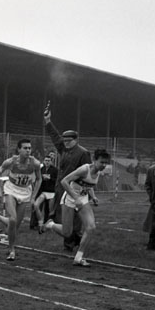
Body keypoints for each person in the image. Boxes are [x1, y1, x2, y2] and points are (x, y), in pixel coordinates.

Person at [43, 148, 111, 266]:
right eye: (102, 162)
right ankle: (51, 224)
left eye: (106, 163)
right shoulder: (84, 169)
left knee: (91, 227)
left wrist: (93, 197)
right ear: (94, 160)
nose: (104, 165)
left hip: (82, 199)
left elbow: (88, 185)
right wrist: (75, 198)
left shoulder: (98, 172)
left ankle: (78, 257)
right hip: (70, 199)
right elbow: (64, 181)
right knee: (67, 233)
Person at [43, 103, 91, 251]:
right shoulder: (64, 148)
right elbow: (55, 137)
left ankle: (72, 242)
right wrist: (48, 121)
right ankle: (71, 241)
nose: (66, 143)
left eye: (69, 141)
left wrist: (88, 192)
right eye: (65, 141)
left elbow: (87, 174)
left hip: (76, 190)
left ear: (76, 140)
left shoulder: (83, 153)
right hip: (62, 188)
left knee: (76, 218)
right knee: (64, 218)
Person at [0, 138, 42, 261]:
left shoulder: (35, 163)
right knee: (13, 219)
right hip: (11, 190)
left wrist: (33, 197)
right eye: (25, 148)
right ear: (19, 150)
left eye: (29, 148)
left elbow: (39, 179)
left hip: (25, 192)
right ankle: (11, 250)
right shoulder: (11, 162)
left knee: (16, 225)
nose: (28, 150)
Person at [31, 154, 58, 231]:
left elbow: (57, 180)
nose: (47, 162)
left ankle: (49, 224)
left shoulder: (55, 170)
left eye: (48, 161)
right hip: (43, 191)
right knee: (36, 205)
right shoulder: (41, 169)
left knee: (50, 210)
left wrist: (50, 178)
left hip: (51, 192)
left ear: (51, 162)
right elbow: (37, 179)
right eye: (46, 160)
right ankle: (39, 222)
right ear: (43, 161)